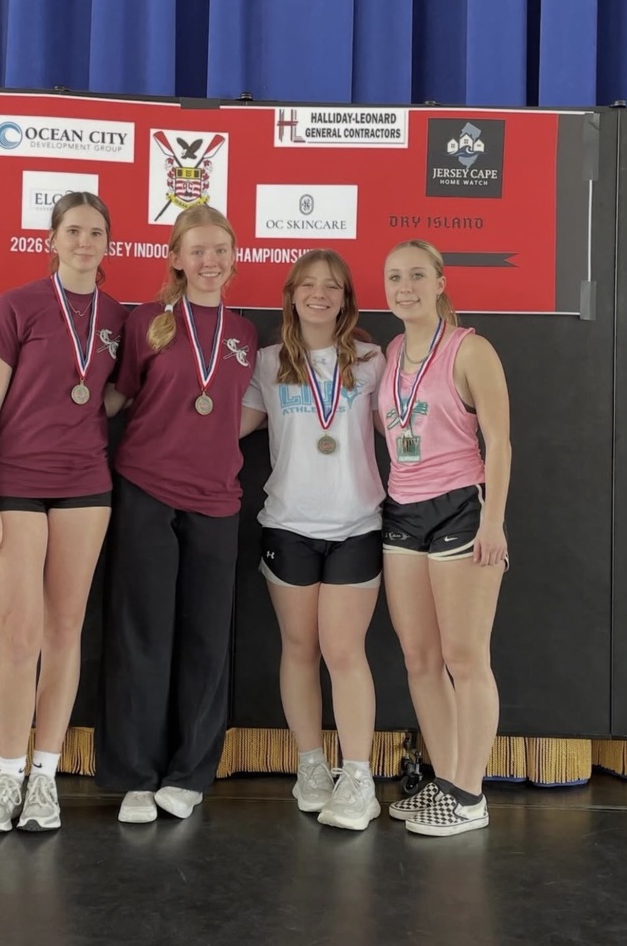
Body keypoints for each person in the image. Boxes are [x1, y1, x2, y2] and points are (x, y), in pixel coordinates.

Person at [0, 191, 127, 833]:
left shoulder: (118, 315)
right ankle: (7, 777)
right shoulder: (18, 305)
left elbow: (112, 395)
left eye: (96, 233)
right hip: (13, 487)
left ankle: (44, 781)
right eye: (74, 231)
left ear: (108, 244)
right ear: (52, 240)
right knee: (20, 636)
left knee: (65, 631)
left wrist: (84, 412)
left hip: (87, 485)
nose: (85, 242)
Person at [95, 204, 257, 823]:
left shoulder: (244, 333)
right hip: (145, 488)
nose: (210, 261)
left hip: (216, 499)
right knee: (142, 633)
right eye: (198, 250)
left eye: (220, 249)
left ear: (233, 258)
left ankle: (189, 774)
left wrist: (213, 441)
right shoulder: (147, 323)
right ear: (176, 258)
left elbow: (251, 409)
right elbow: (118, 396)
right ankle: (137, 775)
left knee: (205, 639)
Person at [240, 249, 386, 831]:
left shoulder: (373, 361)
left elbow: (401, 426)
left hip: (357, 524)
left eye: (332, 286)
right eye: (308, 285)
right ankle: (311, 766)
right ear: (291, 293)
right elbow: (230, 429)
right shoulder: (267, 363)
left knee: (344, 652)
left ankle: (358, 776)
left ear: (347, 298)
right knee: (299, 650)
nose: (320, 294)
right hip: (288, 524)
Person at [378, 238, 510, 837]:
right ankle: (446, 781)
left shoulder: (470, 348)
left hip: (461, 509)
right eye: (393, 277)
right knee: (420, 659)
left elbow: (501, 443)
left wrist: (493, 521)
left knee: (464, 658)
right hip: (403, 512)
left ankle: (469, 794)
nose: (403, 287)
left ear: (439, 282)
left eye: (415, 276)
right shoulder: (392, 351)